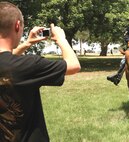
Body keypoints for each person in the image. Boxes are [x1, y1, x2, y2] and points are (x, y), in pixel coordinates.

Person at [0, 2, 81, 142]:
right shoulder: (28, 65)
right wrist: (62, 39)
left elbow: (7, 59)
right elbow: (73, 65)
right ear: (17, 26)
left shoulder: (15, 65)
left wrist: (27, 43)